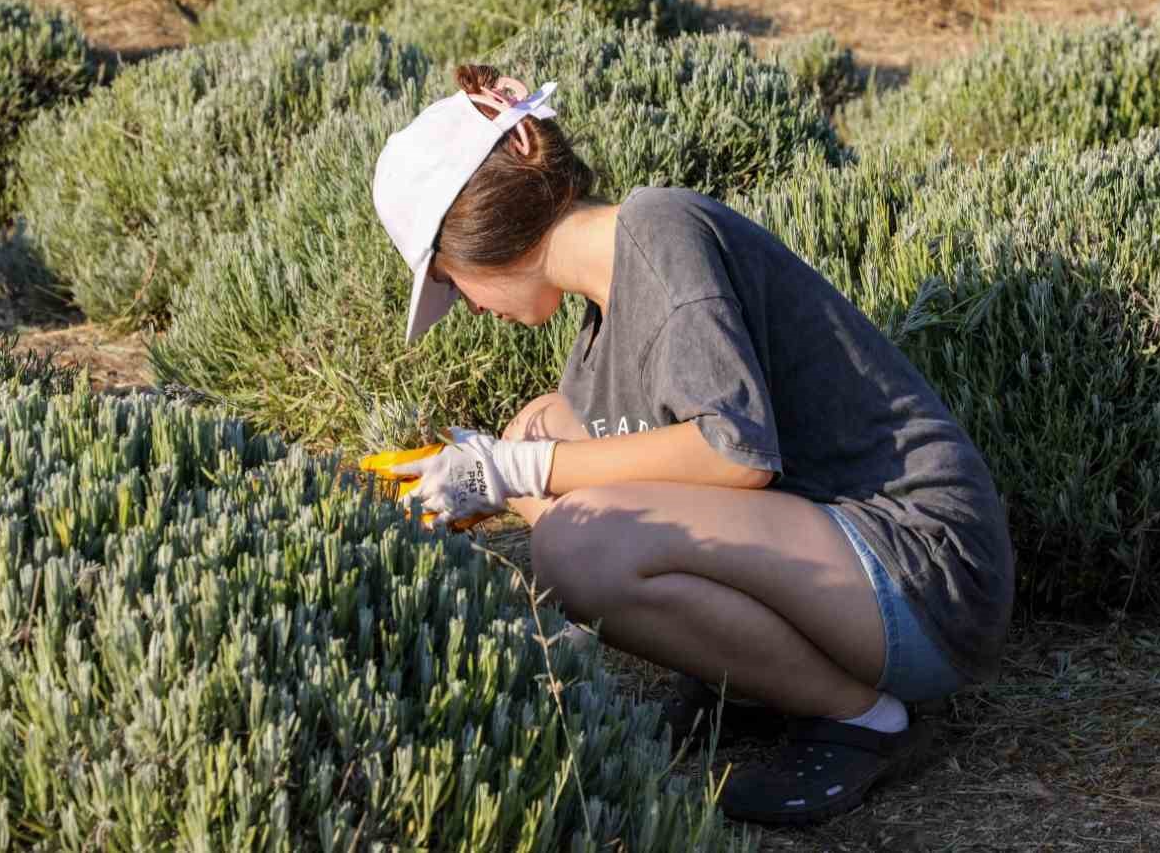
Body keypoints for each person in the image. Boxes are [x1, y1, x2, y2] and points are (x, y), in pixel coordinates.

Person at [371, 65, 1015, 826]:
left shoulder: (659, 229)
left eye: (451, 281)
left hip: (924, 570)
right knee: (542, 425)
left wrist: (511, 471)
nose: (470, 308)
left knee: (578, 541)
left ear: (481, 235)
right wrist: (508, 467)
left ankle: (866, 722)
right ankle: (747, 680)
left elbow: (732, 455)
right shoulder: (599, 332)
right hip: (845, 571)